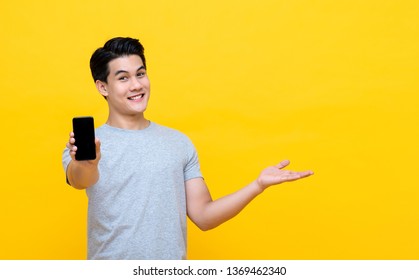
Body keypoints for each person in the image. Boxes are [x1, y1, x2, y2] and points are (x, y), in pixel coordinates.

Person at [62, 37, 313, 260]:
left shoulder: (178, 143)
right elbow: (80, 179)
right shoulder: (86, 145)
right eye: (123, 78)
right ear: (103, 87)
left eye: (140, 74)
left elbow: (204, 216)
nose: (136, 85)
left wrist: (257, 185)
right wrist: (87, 162)